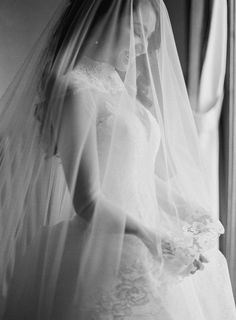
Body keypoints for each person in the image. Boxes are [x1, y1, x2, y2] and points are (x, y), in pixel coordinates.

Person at [0, 0, 236, 319]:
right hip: (104, 248)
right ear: (107, 22)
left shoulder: (114, 84)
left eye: (146, 37)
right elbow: (89, 201)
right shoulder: (75, 89)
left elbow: (134, 173)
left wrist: (188, 212)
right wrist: (156, 242)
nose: (142, 47)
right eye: (138, 33)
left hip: (140, 237)